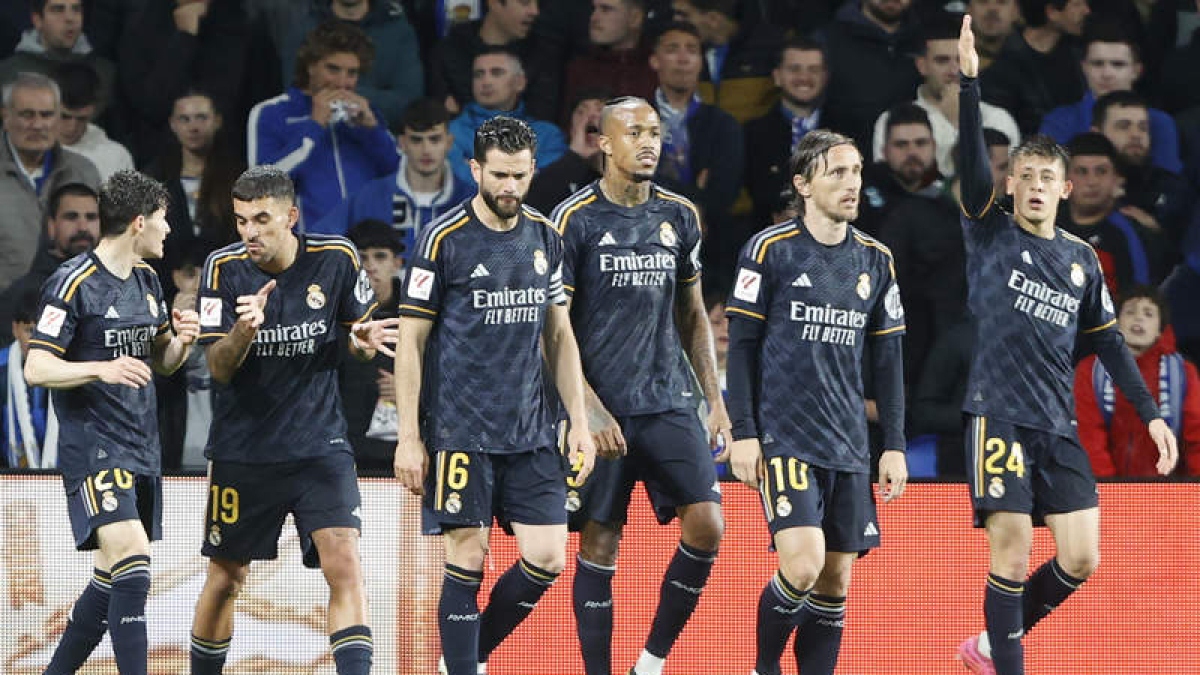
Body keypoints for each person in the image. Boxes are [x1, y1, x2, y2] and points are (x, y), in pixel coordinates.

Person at [955, 18, 1178, 675]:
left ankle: (992, 645)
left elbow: (1108, 343)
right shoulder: (990, 232)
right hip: (997, 413)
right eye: (1021, 176)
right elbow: (971, 172)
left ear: (1063, 188)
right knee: (1013, 547)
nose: (1031, 186)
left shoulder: (1082, 258)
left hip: (1057, 425)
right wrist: (969, 84)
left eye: (1043, 179)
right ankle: (1009, 664)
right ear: (1013, 183)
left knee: (1081, 557)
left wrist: (1153, 412)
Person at [391, 116, 597, 675]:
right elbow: (410, 341)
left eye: (521, 176)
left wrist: (579, 421)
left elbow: (559, 334)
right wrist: (409, 437)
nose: (510, 187)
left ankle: (466, 657)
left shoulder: (545, 236)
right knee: (467, 556)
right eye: (501, 175)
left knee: (549, 556)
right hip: (461, 430)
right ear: (476, 169)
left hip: (531, 430)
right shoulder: (442, 239)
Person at [189, 166, 397, 675]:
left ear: (291, 216)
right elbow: (218, 368)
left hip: (319, 446)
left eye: (261, 219)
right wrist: (242, 330)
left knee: (343, 562)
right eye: (241, 221)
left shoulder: (337, 258)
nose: (250, 233)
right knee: (225, 579)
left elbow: (359, 339)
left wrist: (360, 345)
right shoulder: (222, 269)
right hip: (245, 452)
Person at [552, 96, 729, 675]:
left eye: (655, 131)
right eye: (634, 132)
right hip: (601, 407)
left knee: (709, 524)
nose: (648, 141)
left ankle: (650, 663)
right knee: (600, 540)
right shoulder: (573, 219)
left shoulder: (680, 215)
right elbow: (552, 328)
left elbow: (693, 312)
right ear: (604, 142)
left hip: (668, 399)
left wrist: (714, 399)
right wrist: (588, 410)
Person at [724, 129, 908, 675]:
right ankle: (764, 666)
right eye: (836, 173)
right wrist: (744, 432)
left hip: (848, 443)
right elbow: (742, 348)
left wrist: (893, 445)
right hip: (786, 439)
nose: (851, 184)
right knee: (801, 568)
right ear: (803, 184)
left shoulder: (876, 260)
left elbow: (890, 362)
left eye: (855, 172)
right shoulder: (768, 251)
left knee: (834, 581)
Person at [24, 169, 200, 675]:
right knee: (135, 560)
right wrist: (99, 366)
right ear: (139, 222)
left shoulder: (147, 280)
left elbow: (161, 362)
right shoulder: (73, 282)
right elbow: (37, 367)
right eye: (164, 221)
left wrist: (182, 340)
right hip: (94, 445)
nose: (169, 231)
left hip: (142, 445)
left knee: (111, 576)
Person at [247, 20, 399, 229]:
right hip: (308, 248)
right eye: (333, 69)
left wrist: (373, 131)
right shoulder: (271, 113)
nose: (342, 82)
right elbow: (261, 187)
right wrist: (315, 126)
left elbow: (399, 175)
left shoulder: (365, 114)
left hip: (367, 249)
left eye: (352, 73)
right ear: (310, 66)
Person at [870, 14, 1019, 178]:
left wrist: (959, 122)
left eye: (961, 60)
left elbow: (1005, 188)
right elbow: (892, 185)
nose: (954, 71)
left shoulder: (998, 120)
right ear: (922, 65)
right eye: (942, 61)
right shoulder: (891, 121)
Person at [315, 97, 473, 250]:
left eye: (434, 139)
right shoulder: (370, 196)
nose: (426, 150)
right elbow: (318, 241)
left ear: (449, 143)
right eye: (417, 140)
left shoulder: (471, 202)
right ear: (402, 143)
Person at [1075, 286, 1200, 476]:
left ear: (1160, 330)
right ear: (1115, 323)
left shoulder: (1184, 372)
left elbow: (1196, 436)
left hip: (1171, 493)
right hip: (1105, 490)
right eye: (1130, 311)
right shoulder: (1089, 371)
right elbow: (1088, 437)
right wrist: (1110, 489)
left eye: (1149, 314)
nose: (1138, 318)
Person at [1038, 23, 1183, 174]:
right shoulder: (1058, 122)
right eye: (1098, 64)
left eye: (1118, 64)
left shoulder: (1160, 123)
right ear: (1084, 68)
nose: (1107, 73)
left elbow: (1168, 182)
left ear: (1136, 71)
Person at [0, 71, 100, 290]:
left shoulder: (83, 171)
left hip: (73, 309)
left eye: (46, 115)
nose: (38, 125)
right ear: (6, 116)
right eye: (28, 115)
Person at [743, 38, 833, 229]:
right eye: (794, 69)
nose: (804, 77)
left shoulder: (847, 130)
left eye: (813, 70)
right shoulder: (752, 134)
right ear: (777, 76)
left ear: (825, 77)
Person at [445, 47, 567, 185]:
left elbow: (546, 186)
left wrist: (482, 173)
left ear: (519, 82)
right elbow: (457, 186)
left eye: (496, 73)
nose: (485, 82)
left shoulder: (548, 135)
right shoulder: (451, 133)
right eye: (478, 74)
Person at [0, 181, 98, 345]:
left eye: (91, 217)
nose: (83, 227)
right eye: (71, 217)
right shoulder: (17, 297)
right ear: (51, 226)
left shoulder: (125, 285)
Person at [978, 0, 1089, 135]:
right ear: (1052, 12)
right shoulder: (1004, 65)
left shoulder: (1077, 55)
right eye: (1077, 4)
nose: (1086, 11)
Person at [670, 0, 786, 124]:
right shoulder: (680, 53)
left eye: (683, 15)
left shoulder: (772, 50)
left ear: (713, 19)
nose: (675, 21)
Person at [560, 0, 655, 125]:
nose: (594, 18)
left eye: (606, 9)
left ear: (635, 18)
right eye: (594, 9)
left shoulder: (657, 68)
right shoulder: (579, 69)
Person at [526, 89, 607, 215]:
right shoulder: (557, 168)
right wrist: (576, 155)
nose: (590, 118)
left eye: (600, 111)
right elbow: (531, 209)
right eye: (581, 112)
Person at [53, 61, 133, 181]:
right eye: (64, 116)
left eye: (81, 118)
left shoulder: (115, 156)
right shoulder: (20, 152)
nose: (72, 128)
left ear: (93, 110)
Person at [1, 289, 53, 468]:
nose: (36, 340)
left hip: (64, 477)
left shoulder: (69, 369)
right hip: (10, 476)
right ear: (15, 329)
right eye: (30, 330)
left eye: (42, 330)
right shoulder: (2, 370)